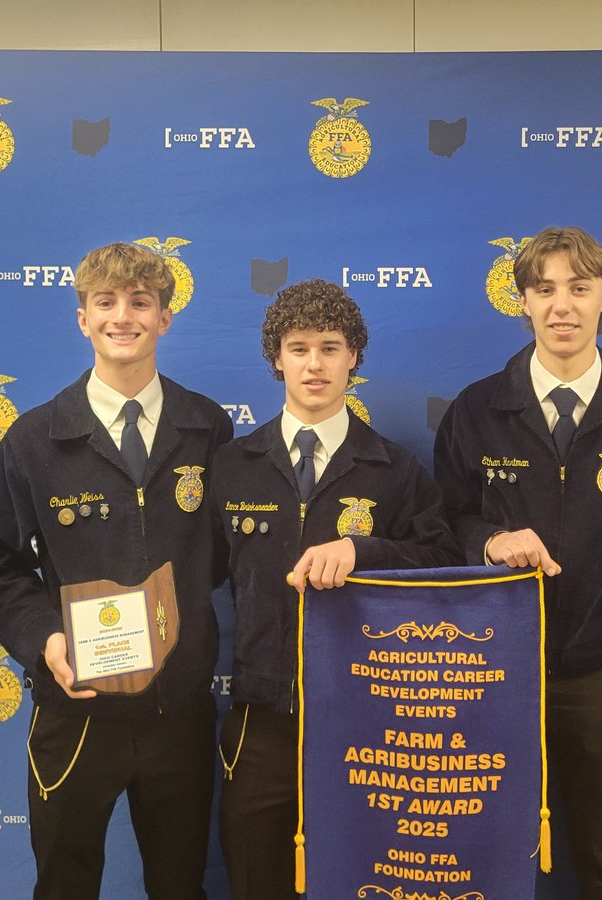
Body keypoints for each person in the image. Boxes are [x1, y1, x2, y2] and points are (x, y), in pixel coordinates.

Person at [0, 242, 233, 899]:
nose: (123, 316)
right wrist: (44, 640)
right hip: (75, 708)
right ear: (83, 318)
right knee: (64, 884)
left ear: (165, 318)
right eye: (105, 302)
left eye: (141, 302)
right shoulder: (35, 437)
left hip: (180, 713)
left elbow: (224, 550)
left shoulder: (207, 427)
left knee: (179, 886)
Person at [433, 226, 602, 899]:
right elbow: (443, 525)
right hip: (491, 670)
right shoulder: (475, 411)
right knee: (484, 857)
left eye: (578, 288)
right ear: (522, 302)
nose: (562, 305)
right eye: (544, 289)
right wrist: (489, 540)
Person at [210, 278, 459, 899]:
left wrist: (363, 550)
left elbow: (444, 560)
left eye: (330, 346)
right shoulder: (232, 464)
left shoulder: (394, 468)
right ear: (277, 359)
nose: (314, 364)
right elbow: (194, 573)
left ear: (355, 357)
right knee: (255, 879)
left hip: (365, 715)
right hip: (260, 714)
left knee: (361, 882)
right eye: (298, 348)